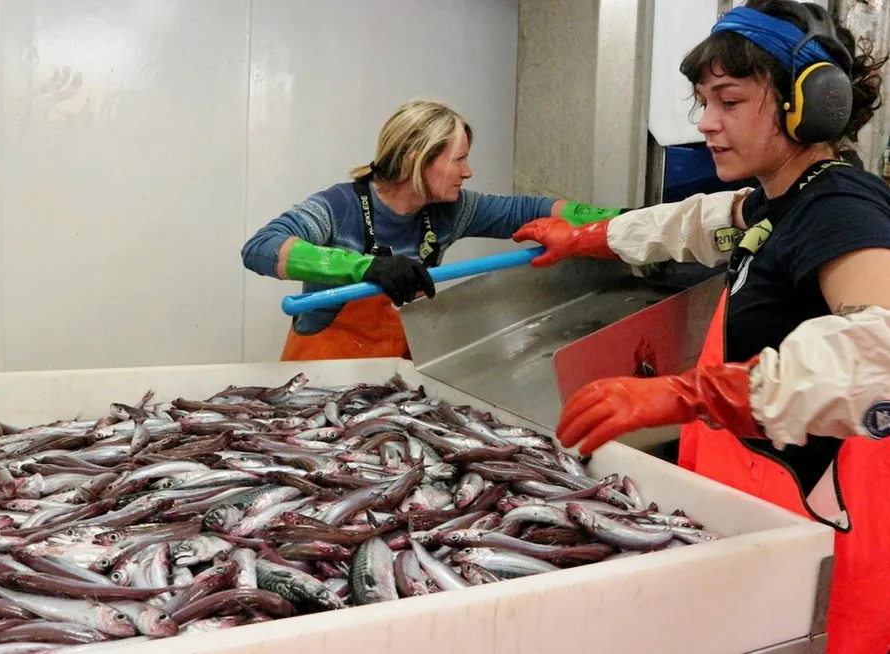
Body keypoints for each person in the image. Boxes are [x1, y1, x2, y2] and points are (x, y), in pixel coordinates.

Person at [513, 2, 890, 651]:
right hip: (767, 530)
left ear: (811, 104)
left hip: (828, 555)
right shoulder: (776, 200)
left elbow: (880, 348)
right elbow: (693, 224)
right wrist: (587, 238)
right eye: (701, 102)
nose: (707, 124)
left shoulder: (838, 208)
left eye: (730, 101)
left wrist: (692, 394)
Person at [242, 99, 627, 362]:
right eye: (458, 159)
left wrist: (624, 219)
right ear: (416, 160)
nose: (468, 171)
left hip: (394, 378)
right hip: (322, 377)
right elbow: (260, 247)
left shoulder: (450, 211)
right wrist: (365, 269)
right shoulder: (338, 207)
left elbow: (529, 210)